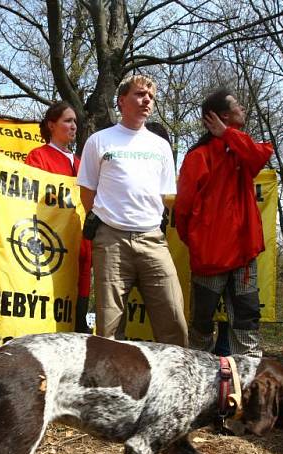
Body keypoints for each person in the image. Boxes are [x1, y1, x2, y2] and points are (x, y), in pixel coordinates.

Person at [77, 75, 188, 346]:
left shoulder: (161, 146)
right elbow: (87, 193)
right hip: (111, 240)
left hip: (152, 239)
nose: (147, 100)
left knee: (173, 318)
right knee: (109, 326)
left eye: (150, 96)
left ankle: (176, 383)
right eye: (140, 94)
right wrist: (111, 221)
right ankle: (109, 386)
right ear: (122, 101)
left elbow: (165, 195)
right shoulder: (99, 141)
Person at [175, 88, 272, 357]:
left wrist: (227, 134)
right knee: (202, 319)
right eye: (238, 105)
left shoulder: (241, 148)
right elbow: (183, 207)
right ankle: (197, 371)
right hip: (210, 255)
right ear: (225, 115)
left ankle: (248, 372)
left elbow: (261, 155)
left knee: (247, 315)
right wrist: (196, 239)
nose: (244, 108)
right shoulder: (198, 155)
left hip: (243, 253)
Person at [25, 101, 92, 333]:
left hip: (81, 251)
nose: (73, 126)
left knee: (78, 319)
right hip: (51, 251)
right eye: (67, 120)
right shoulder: (38, 157)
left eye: (75, 121)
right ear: (51, 125)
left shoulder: (81, 164)